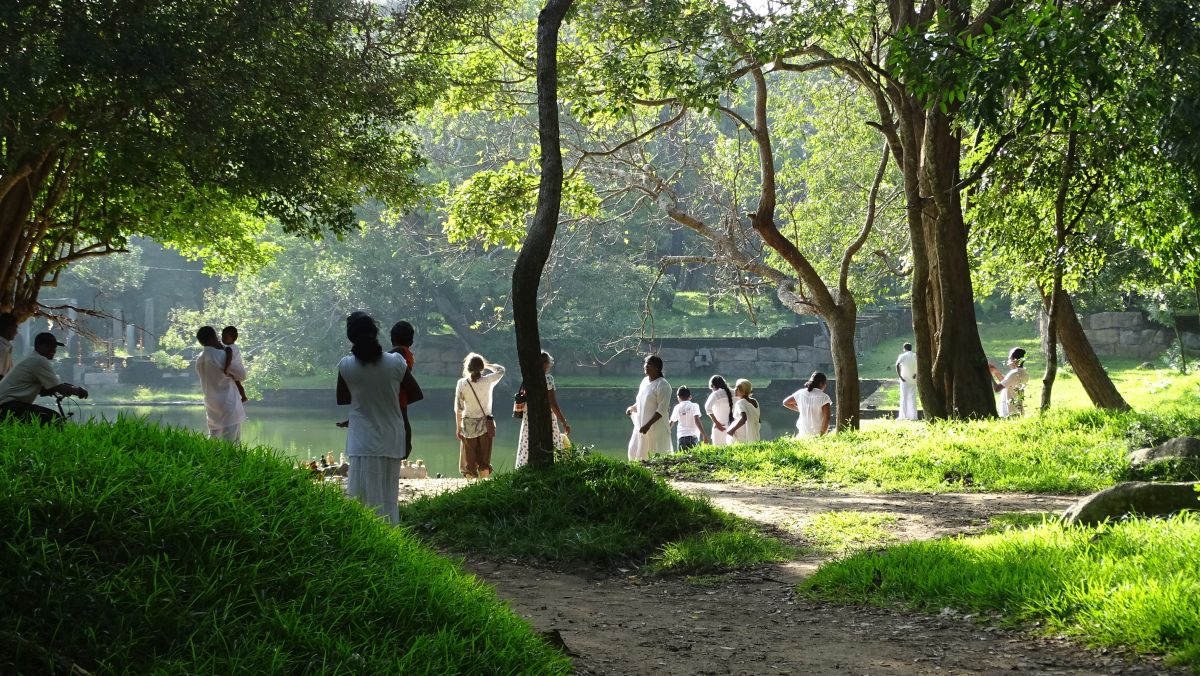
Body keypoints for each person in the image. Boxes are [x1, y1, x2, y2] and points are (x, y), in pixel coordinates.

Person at [336, 312, 409, 523]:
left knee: (362, 496)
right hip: (391, 434)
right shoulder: (396, 362)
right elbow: (414, 393)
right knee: (388, 494)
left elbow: (342, 399)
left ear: (351, 337)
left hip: (362, 438)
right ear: (375, 333)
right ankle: (390, 536)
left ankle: (366, 541)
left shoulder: (346, 365)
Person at [0, 332, 88, 424]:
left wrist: (61, 388)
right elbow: (56, 386)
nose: (53, 350)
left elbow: (43, 390)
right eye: (49, 346)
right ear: (38, 346)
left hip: (7, 406)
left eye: (54, 347)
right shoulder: (39, 360)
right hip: (9, 406)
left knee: (46, 417)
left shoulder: (32, 359)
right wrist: (77, 391)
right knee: (53, 418)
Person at [516, 351, 570, 468]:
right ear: (544, 363)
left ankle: (525, 467)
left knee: (528, 441)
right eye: (548, 363)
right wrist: (563, 421)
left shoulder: (528, 377)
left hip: (529, 416)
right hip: (546, 416)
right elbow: (553, 403)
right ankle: (550, 467)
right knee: (550, 441)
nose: (549, 366)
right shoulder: (548, 379)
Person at [454, 353, 505, 478]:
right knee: (484, 459)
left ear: (467, 367)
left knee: (469, 459)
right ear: (481, 368)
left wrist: (458, 428)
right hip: (485, 424)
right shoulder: (488, 380)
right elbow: (501, 370)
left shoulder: (462, 383)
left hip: (468, 425)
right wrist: (487, 365)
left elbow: (459, 409)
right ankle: (484, 486)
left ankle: (470, 485)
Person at [196, 325, 247, 441]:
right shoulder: (221, 355)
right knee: (232, 443)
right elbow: (242, 375)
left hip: (211, 405)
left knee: (214, 442)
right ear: (213, 337)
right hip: (228, 404)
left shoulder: (199, 360)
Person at [626, 355, 672, 460]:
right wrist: (632, 408)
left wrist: (648, 425)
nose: (646, 366)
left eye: (649, 364)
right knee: (633, 451)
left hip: (656, 427)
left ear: (657, 368)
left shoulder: (663, 385)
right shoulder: (645, 381)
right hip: (641, 425)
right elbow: (641, 401)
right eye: (645, 363)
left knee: (655, 453)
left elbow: (662, 410)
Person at [390, 320, 418, 458]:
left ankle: (406, 446)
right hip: (401, 393)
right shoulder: (407, 353)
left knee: (402, 418)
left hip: (398, 392)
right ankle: (406, 445)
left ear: (392, 339)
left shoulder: (399, 351)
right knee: (403, 417)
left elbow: (385, 357)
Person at [783, 371, 832, 437]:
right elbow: (827, 417)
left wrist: (801, 409)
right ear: (821, 383)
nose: (825, 385)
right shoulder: (824, 397)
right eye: (825, 383)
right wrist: (822, 435)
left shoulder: (800, 393)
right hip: (817, 434)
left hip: (802, 434)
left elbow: (785, 402)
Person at [994, 347, 1030, 418]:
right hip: (1017, 412)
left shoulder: (1014, 373)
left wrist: (988, 375)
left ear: (1015, 360)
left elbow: (997, 389)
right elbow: (1006, 383)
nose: (1008, 361)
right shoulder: (1024, 373)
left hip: (1009, 413)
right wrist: (995, 371)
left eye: (1009, 358)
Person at [669, 385, 708, 451]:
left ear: (678, 397)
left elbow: (671, 422)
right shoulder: (694, 406)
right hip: (693, 437)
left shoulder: (677, 407)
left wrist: (665, 432)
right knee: (694, 459)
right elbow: (696, 420)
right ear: (690, 397)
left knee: (682, 460)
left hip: (681, 437)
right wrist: (704, 434)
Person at [726, 378, 761, 443]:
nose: (735, 390)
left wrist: (732, 430)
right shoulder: (755, 401)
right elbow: (758, 419)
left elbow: (744, 418)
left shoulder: (740, 403)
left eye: (737, 389)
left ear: (744, 392)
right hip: (754, 431)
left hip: (743, 432)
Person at [704, 375, 735, 446]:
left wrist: (716, 423)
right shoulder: (734, 392)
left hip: (720, 427)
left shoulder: (716, 394)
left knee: (719, 453)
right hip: (734, 427)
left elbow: (707, 408)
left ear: (713, 386)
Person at [221, 326, 249, 403]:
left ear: (233, 338)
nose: (222, 339)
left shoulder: (228, 348)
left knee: (237, 384)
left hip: (234, 369)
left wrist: (226, 368)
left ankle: (243, 397)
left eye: (225, 337)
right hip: (239, 369)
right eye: (222, 336)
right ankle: (243, 396)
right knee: (237, 384)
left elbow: (229, 358)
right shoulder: (235, 347)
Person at [895, 342, 918, 420]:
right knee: (912, 397)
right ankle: (913, 416)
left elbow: (897, 365)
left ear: (904, 348)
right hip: (913, 379)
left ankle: (903, 416)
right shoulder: (915, 355)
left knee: (904, 397)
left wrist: (900, 376)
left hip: (904, 379)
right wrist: (916, 373)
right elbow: (919, 364)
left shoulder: (903, 356)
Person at [0, 313, 18, 378]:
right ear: (9, 329)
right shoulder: (3, 349)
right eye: (16, 327)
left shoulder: (5, 348)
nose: (16, 332)